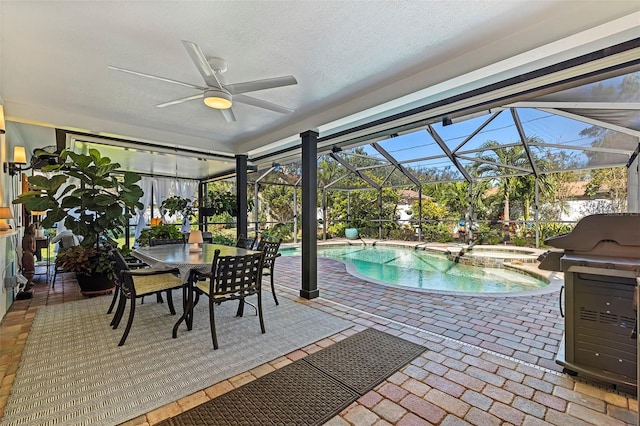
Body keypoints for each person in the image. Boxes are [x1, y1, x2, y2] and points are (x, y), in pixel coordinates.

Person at [21, 224, 36, 288]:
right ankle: (27, 283)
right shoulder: (30, 238)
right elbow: (31, 248)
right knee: (30, 269)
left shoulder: (25, 236)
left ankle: (28, 282)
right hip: (29, 254)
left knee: (27, 268)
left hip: (26, 253)